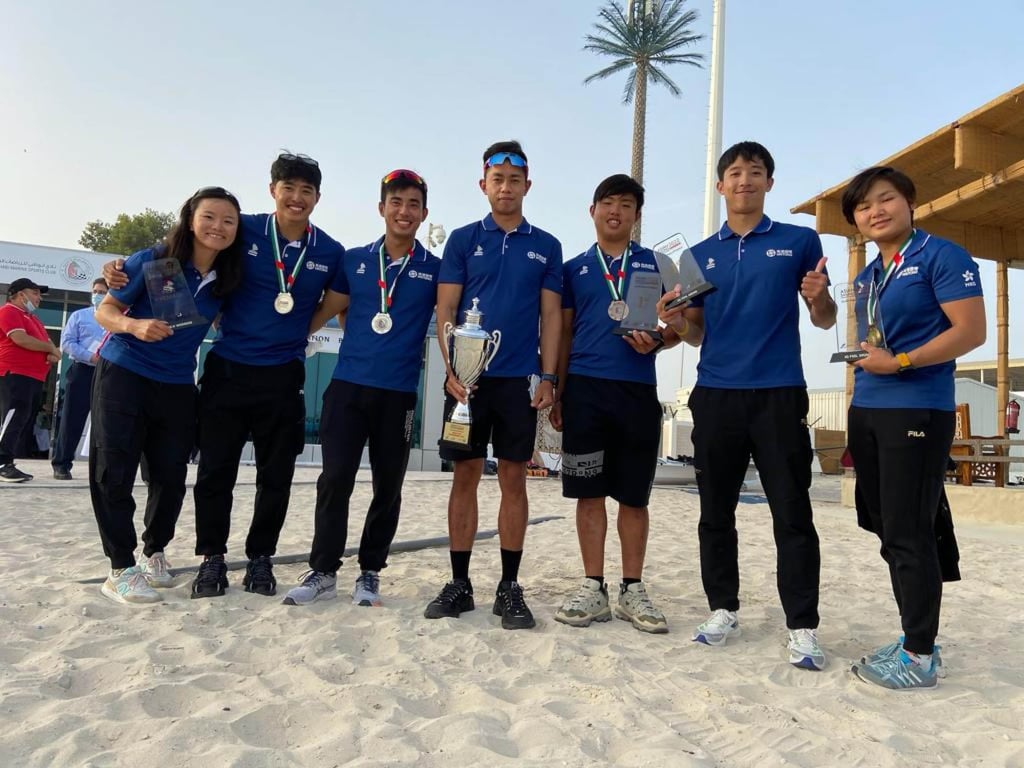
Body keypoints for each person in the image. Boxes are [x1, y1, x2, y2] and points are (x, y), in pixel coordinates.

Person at [105, 154, 345, 600]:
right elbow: (182, 248)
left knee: (276, 476)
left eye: (306, 191)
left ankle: (260, 558)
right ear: (272, 190)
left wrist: (301, 329)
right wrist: (120, 268)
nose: (296, 198)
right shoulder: (241, 229)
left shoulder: (329, 251)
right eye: (288, 188)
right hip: (227, 370)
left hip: (283, 375)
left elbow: (340, 300)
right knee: (215, 472)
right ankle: (212, 558)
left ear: (317, 197)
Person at [658, 141, 837, 670]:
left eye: (755, 172)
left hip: (779, 393)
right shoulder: (697, 256)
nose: (744, 181)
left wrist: (820, 297)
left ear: (769, 183)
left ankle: (802, 626)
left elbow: (824, 319)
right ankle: (722, 609)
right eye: (734, 173)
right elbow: (696, 334)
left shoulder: (799, 241)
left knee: (793, 514)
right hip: (716, 395)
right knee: (715, 513)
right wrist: (675, 320)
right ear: (720, 185)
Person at [840, 167, 985, 690]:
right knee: (886, 526)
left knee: (908, 531)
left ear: (909, 201)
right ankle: (912, 636)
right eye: (863, 207)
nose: (875, 211)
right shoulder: (866, 276)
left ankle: (920, 655)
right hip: (868, 408)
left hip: (917, 408)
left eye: (886, 199)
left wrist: (901, 361)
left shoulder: (941, 255)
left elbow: (971, 331)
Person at [283, 169, 440, 608]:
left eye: (413, 204)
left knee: (388, 486)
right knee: (335, 480)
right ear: (381, 208)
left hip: (398, 393)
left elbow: (449, 316)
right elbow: (326, 310)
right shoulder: (354, 260)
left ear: (424, 213)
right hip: (348, 388)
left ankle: (370, 572)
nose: (404, 211)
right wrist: (284, 343)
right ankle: (323, 570)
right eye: (396, 202)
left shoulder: (434, 269)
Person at [425, 140, 563, 630]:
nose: (506, 187)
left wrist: (549, 377)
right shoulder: (463, 240)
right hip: (469, 384)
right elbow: (446, 308)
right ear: (483, 185)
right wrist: (453, 371)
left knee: (513, 479)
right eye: (497, 179)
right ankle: (459, 583)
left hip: (518, 382)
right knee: (463, 477)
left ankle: (508, 586)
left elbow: (551, 316)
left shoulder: (547, 245)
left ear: (528, 185)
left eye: (514, 180)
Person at [91, 186, 244, 604]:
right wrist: (133, 326)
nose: (217, 227)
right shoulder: (155, 260)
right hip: (125, 373)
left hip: (177, 384)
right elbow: (104, 310)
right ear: (190, 219)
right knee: (113, 470)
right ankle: (120, 568)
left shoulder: (228, 279)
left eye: (228, 221)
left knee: (171, 476)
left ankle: (154, 552)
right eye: (208, 217)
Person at [550, 174, 682, 634]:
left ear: (637, 215)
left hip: (637, 390)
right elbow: (564, 334)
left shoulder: (659, 264)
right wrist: (558, 392)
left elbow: (682, 325)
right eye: (608, 203)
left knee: (633, 496)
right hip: (585, 390)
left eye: (626, 205)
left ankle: (632, 588)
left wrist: (660, 340)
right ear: (592, 211)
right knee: (588, 494)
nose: (616, 212)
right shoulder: (573, 269)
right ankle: (593, 586)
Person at [0, 278, 60, 483]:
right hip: (15, 373)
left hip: (33, 377)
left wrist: (51, 350)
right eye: (34, 293)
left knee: (21, 419)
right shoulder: (9, 312)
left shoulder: (32, 319)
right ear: (19, 294)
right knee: (12, 417)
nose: (39, 298)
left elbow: (53, 349)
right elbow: (21, 339)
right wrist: (49, 348)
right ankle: (2, 463)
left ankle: (7, 461)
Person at [51, 278, 109, 480]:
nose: (97, 295)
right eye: (95, 291)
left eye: (102, 291)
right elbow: (67, 343)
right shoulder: (79, 316)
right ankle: (61, 464)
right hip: (82, 371)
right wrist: (90, 356)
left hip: (107, 373)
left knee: (106, 422)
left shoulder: (118, 317)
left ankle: (103, 469)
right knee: (72, 419)